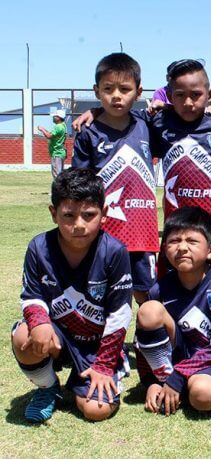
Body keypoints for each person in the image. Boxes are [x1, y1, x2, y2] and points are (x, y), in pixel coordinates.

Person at [74, 59, 211, 268]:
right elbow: (122, 116)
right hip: (175, 228)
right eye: (180, 95)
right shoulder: (158, 122)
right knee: (165, 291)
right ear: (170, 96)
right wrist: (96, 111)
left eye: (196, 95)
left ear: (209, 95)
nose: (189, 102)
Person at [11, 168, 132, 423]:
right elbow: (32, 296)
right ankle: (48, 388)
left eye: (89, 215)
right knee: (24, 336)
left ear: (105, 214)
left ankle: (89, 377)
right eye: (69, 215)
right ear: (53, 213)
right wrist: (39, 322)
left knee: (95, 410)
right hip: (59, 337)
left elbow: (120, 314)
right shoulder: (38, 247)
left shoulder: (115, 252)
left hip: (97, 344)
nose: (79, 225)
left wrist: (103, 365)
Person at [72, 53, 159, 305]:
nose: (117, 96)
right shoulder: (89, 132)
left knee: (147, 293)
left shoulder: (147, 124)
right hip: (106, 229)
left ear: (139, 92)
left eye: (125, 89)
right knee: (105, 292)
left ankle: (149, 342)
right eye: (108, 89)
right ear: (97, 90)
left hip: (143, 229)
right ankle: (108, 342)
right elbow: (81, 183)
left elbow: (177, 107)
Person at [134, 206, 211, 416]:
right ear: (164, 249)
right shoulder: (160, 289)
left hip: (209, 362)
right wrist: (151, 382)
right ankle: (164, 383)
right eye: (173, 241)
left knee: (203, 395)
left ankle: (194, 389)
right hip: (172, 364)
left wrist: (180, 376)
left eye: (192, 241)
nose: (182, 248)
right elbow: (143, 339)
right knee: (149, 310)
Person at [38, 109, 68, 178]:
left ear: (59, 117)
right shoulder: (63, 125)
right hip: (60, 152)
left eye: (55, 116)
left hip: (56, 153)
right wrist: (44, 129)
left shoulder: (58, 127)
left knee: (56, 175)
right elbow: (51, 134)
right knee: (60, 174)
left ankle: (59, 188)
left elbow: (48, 136)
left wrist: (42, 129)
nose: (53, 117)